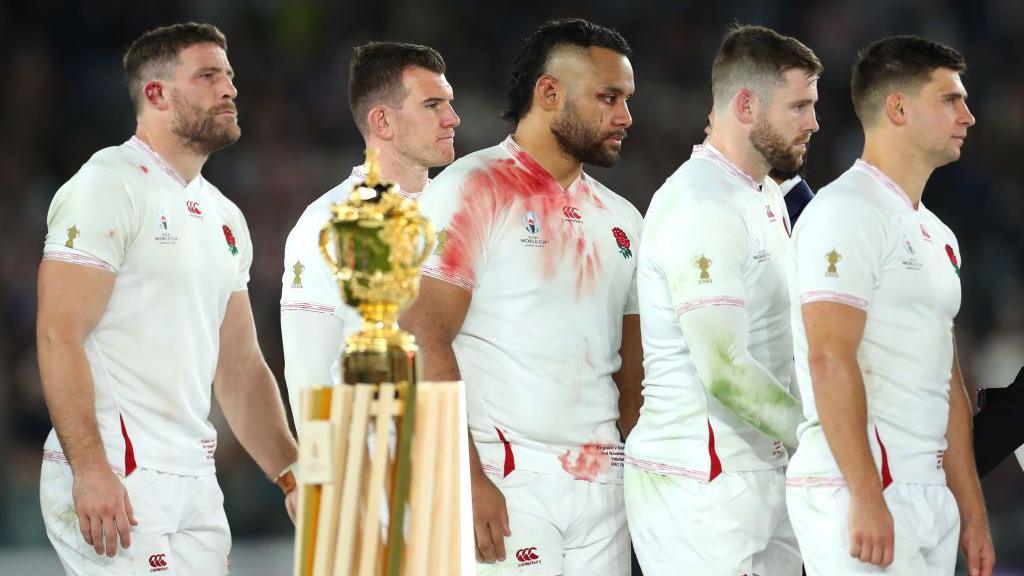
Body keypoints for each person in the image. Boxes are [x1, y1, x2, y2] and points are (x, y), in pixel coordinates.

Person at [36, 22, 298, 575]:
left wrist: (291, 473)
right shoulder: (107, 186)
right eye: (208, 76)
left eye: (229, 76)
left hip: (195, 478)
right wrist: (91, 468)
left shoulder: (225, 216)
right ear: (155, 93)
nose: (229, 89)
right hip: (118, 471)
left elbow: (240, 365)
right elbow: (59, 333)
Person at [400, 18, 643, 575]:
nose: (625, 116)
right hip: (505, 478)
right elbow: (421, 335)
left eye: (627, 100)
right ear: (549, 93)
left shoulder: (625, 221)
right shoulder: (471, 189)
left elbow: (633, 376)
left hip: (606, 487)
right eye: (608, 98)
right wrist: (463, 476)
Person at [785, 36, 994, 575]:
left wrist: (972, 513)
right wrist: (865, 493)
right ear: (898, 108)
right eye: (950, 99)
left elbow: (948, 385)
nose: (968, 116)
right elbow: (828, 357)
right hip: (860, 485)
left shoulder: (938, 235)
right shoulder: (845, 212)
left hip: (927, 490)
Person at [623, 25, 820, 575]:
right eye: (799, 106)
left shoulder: (765, 194)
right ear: (746, 106)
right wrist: (823, 438)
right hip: (698, 484)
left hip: (763, 469)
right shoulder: (700, 205)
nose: (813, 122)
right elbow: (726, 370)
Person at [279, 41, 460, 421]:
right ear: (383, 122)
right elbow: (307, 376)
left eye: (449, 103)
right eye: (433, 105)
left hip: (461, 449)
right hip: (375, 453)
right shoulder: (327, 224)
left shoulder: (462, 213)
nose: (453, 119)